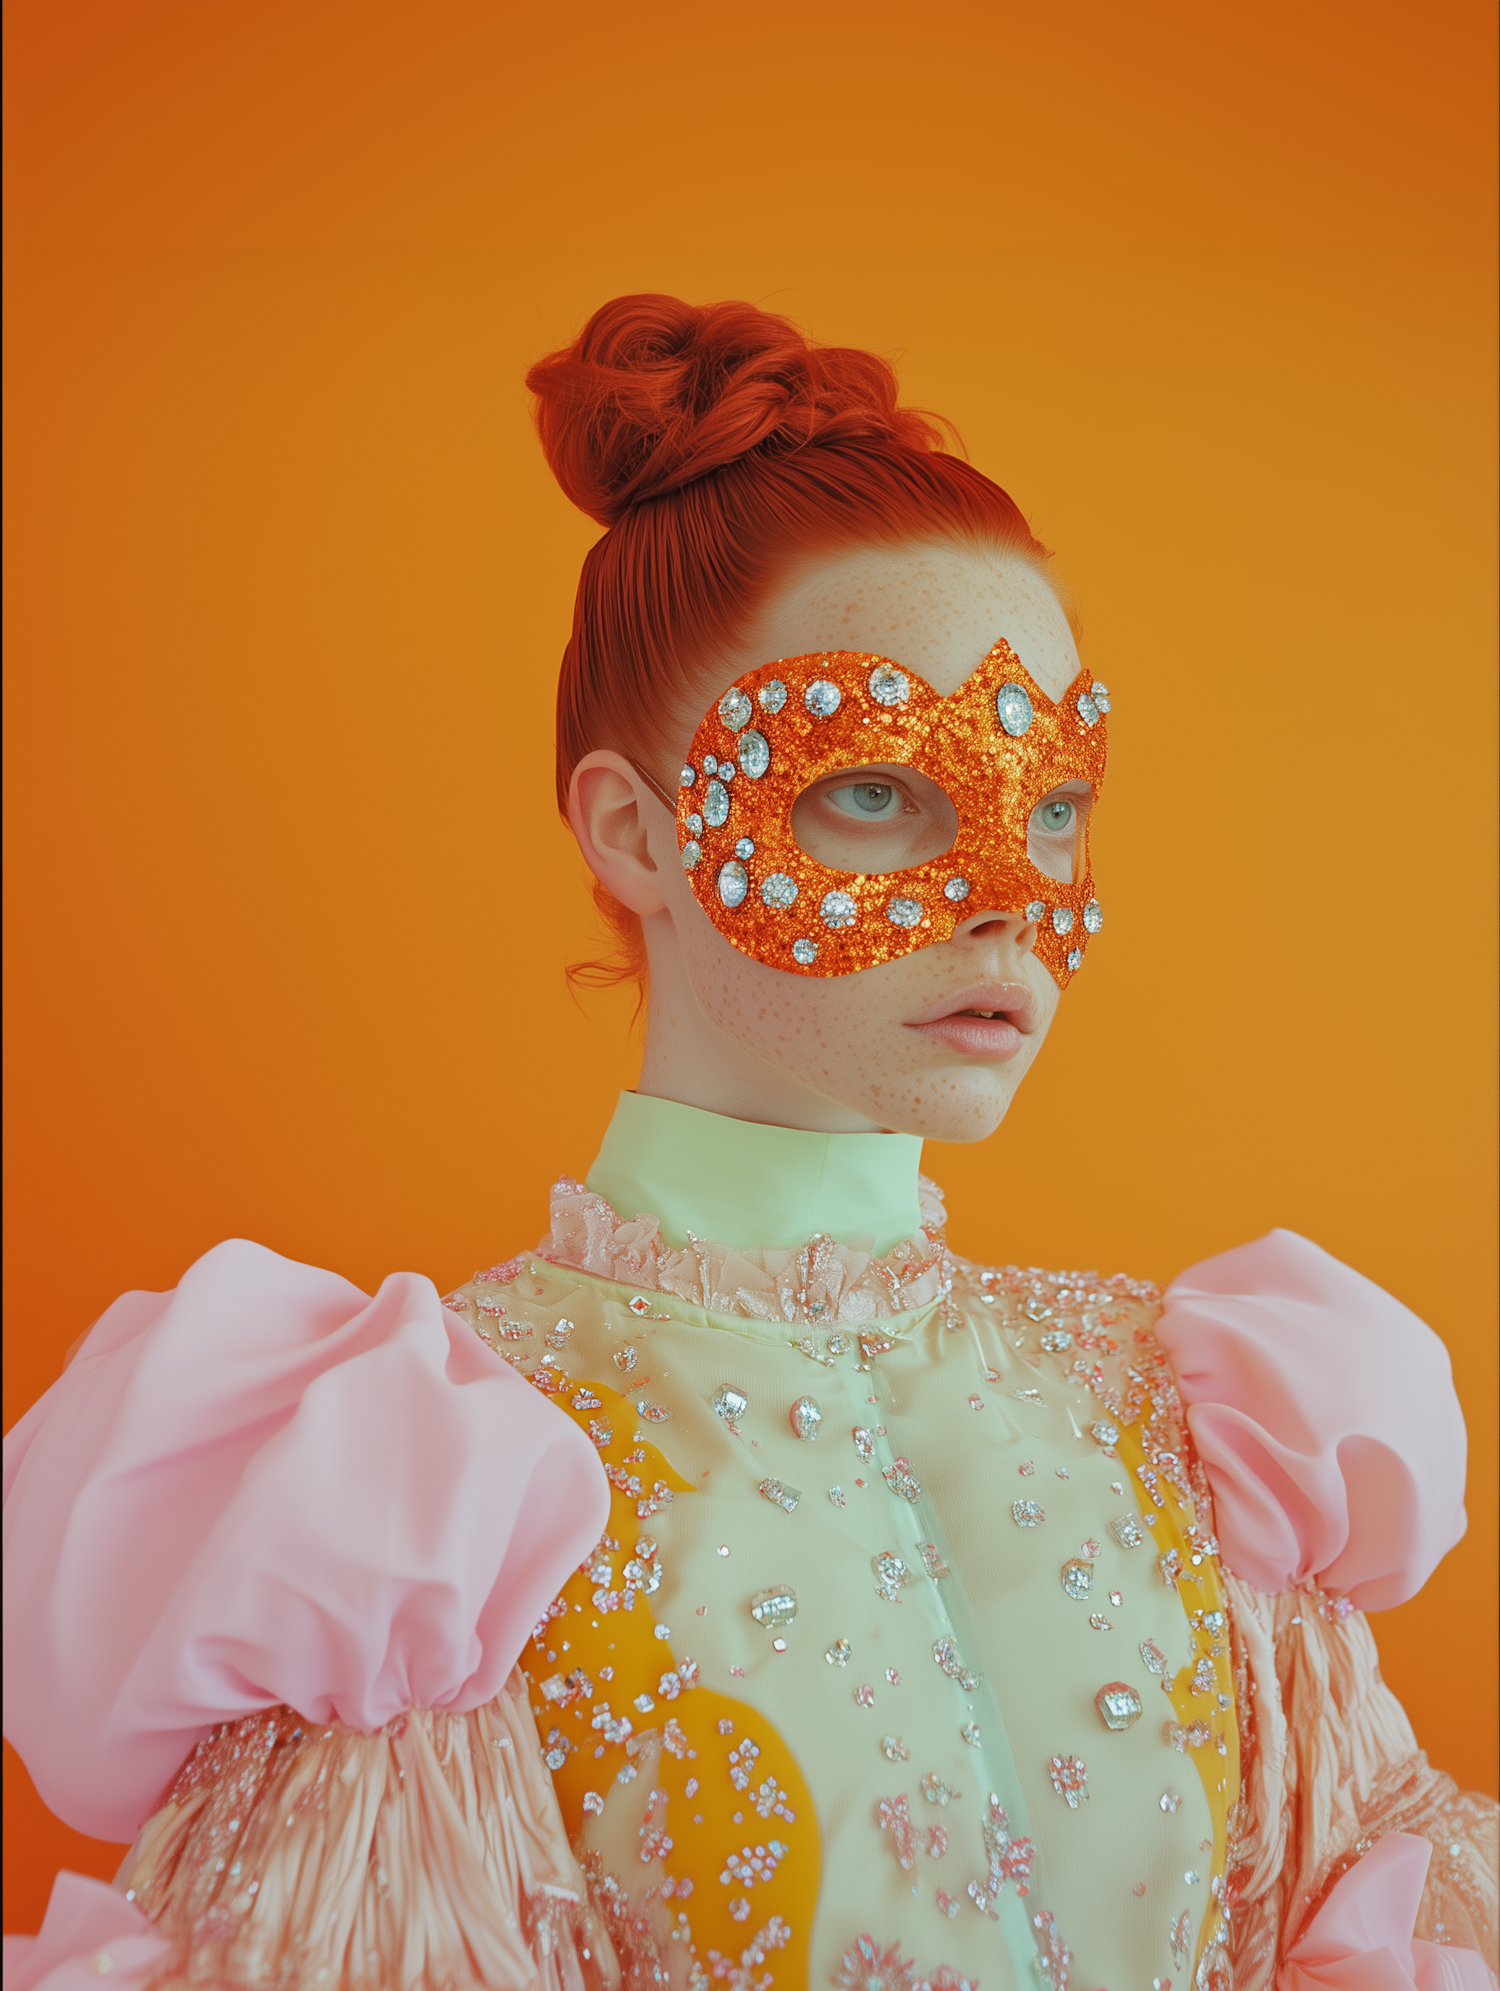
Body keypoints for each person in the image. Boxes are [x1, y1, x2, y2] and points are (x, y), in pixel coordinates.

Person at [3, 295, 1495, 1991]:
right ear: (634, 829)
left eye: (1055, 804)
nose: (1009, 890)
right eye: (877, 788)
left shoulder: (1207, 1423)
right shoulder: (432, 1510)